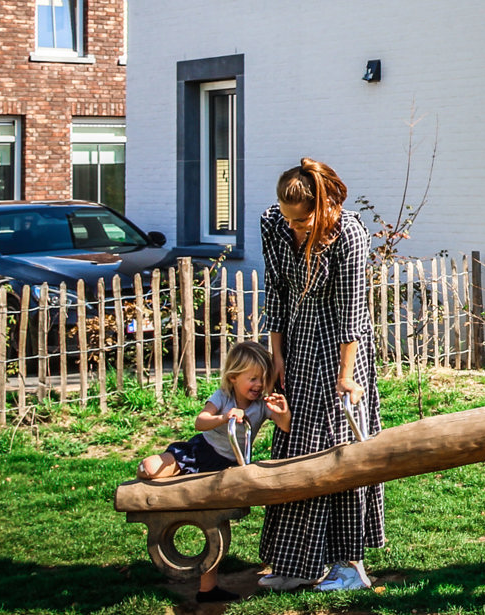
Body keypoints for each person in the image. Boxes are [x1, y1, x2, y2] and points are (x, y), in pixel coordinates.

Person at [256, 158, 388, 592]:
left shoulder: (349, 233)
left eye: (303, 220)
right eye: (288, 218)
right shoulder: (273, 223)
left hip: (338, 350)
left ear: (324, 207)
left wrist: (346, 377)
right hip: (296, 340)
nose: (294, 226)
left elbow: (353, 314)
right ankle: (298, 563)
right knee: (294, 443)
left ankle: (348, 565)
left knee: (341, 451)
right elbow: (274, 292)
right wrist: (276, 357)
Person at [134, 340, 289, 602]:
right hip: (200, 455)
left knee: (214, 522)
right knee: (150, 468)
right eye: (252, 379)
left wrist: (282, 412)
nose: (259, 385)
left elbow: (285, 427)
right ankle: (151, 479)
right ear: (233, 377)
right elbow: (200, 421)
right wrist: (224, 416)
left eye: (263, 379)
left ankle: (208, 590)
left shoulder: (261, 405)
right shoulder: (223, 397)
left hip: (227, 468)